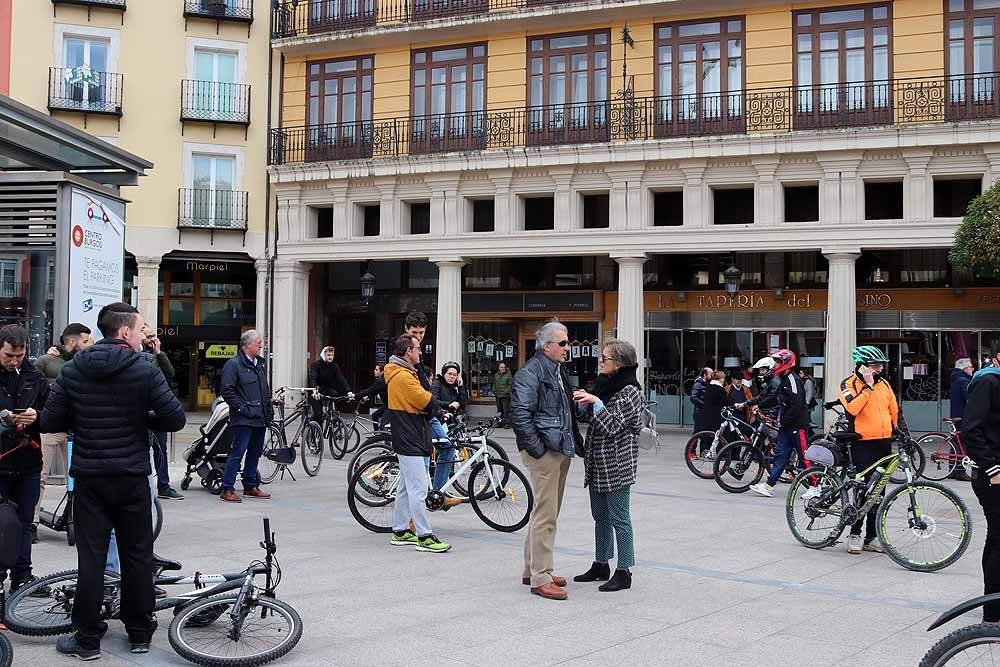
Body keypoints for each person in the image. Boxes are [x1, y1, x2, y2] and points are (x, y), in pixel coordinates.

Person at [40, 302, 186, 659]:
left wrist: (83, 419)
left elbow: (50, 420)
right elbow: (175, 419)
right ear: (124, 332)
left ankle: (87, 639)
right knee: (138, 555)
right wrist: (142, 418)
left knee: (92, 558)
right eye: (139, 330)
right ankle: (139, 633)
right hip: (132, 476)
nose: (142, 336)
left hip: (90, 478)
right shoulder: (144, 368)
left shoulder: (73, 370)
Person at [511, 321, 583, 601]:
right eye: (563, 343)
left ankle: (533, 569)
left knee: (544, 512)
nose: (568, 347)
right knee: (546, 515)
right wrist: (538, 450)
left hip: (559, 448)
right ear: (547, 345)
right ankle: (541, 576)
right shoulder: (531, 372)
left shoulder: (556, 371)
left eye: (568, 342)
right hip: (546, 452)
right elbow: (520, 414)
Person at [572, 339, 643, 593]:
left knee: (620, 519)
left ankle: (624, 571)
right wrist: (583, 404)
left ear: (619, 364)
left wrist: (596, 404)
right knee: (600, 517)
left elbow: (612, 427)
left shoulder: (631, 391)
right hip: (597, 462)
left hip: (617, 464)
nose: (601, 362)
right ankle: (601, 563)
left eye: (605, 359)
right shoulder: (604, 385)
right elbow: (588, 419)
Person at [384, 333, 451, 553]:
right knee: (418, 488)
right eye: (418, 348)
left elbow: (424, 400)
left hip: (407, 433)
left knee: (405, 487)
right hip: (410, 434)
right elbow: (426, 399)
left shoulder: (400, 372)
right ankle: (424, 535)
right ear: (408, 352)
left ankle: (401, 531)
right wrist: (431, 402)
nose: (421, 352)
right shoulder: (403, 376)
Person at [835, 345, 899, 554]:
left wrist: (901, 432)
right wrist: (867, 387)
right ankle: (855, 533)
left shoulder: (885, 385)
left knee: (879, 491)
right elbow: (853, 408)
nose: (879, 369)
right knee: (863, 489)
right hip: (862, 443)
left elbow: (894, 411)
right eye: (875, 366)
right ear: (862, 366)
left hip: (883, 442)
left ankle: (872, 536)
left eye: (880, 365)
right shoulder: (848, 384)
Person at [0, 325, 49, 597]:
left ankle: (23, 576)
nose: (14, 361)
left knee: (24, 523)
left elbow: (53, 412)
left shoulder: (35, 377)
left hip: (28, 460)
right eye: (9, 355)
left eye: (19, 355)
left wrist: (37, 417)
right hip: (1, 460)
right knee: (1, 524)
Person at [33, 322, 91, 542]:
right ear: (72, 341)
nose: (88, 345)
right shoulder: (49, 361)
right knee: (40, 476)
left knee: (77, 478)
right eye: (85, 340)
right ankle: (33, 522)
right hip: (51, 428)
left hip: (75, 429)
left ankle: (76, 519)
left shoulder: (83, 360)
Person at [742, 350, 811, 500]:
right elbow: (770, 396)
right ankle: (768, 486)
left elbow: (797, 405)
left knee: (804, 457)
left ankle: (815, 487)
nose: (775, 364)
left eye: (778, 362)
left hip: (797, 425)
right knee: (780, 456)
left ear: (786, 362)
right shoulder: (780, 378)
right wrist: (755, 405)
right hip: (786, 426)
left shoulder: (792, 379)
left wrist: (783, 420)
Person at [964, 345, 1000, 622]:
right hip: (992, 476)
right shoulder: (987, 381)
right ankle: (992, 615)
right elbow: (971, 430)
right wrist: (993, 469)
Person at [218, 330, 274, 504]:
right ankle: (227, 488)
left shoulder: (259, 365)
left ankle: (250, 486)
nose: (261, 346)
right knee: (238, 452)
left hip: (259, 417)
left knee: (255, 453)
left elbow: (264, 390)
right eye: (258, 343)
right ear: (247, 345)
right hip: (244, 418)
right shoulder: (233, 365)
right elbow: (227, 391)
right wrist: (243, 409)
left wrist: (269, 408)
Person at [139, 325, 182, 501]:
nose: (152, 339)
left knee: (160, 449)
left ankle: (163, 485)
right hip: (139, 409)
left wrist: (159, 352)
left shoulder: (156, 355)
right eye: (149, 336)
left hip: (156, 410)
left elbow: (170, 373)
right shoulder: (135, 353)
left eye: (154, 336)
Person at [431, 361, 468, 491]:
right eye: (450, 374)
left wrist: (461, 386)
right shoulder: (437, 384)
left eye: (455, 375)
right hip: (437, 419)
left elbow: (463, 402)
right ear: (444, 374)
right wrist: (449, 405)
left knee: (449, 446)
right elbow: (433, 400)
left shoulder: (453, 387)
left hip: (449, 420)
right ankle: (437, 485)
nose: (452, 377)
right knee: (446, 447)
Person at [308, 345, 352, 427]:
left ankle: (334, 416)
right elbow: (313, 378)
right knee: (318, 414)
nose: (330, 357)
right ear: (324, 355)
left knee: (336, 395)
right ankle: (318, 430)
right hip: (316, 390)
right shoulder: (316, 364)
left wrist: (348, 391)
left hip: (326, 389)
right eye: (328, 355)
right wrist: (314, 390)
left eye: (332, 355)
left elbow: (341, 378)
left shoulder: (335, 366)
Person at [949, 358, 975, 481]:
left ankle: (952, 469)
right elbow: (969, 399)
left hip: (956, 414)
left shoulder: (955, 379)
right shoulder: (963, 381)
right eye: (970, 367)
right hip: (963, 415)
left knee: (955, 443)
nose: (972, 369)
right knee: (962, 443)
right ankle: (960, 471)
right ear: (964, 368)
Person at [356, 363, 388, 427]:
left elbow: (369, 390)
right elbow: (374, 391)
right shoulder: (381, 380)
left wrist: (356, 395)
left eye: (376, 370)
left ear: (382, 372)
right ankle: (376, 434)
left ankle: (383, 436)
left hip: (391, 407)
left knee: (383, 425)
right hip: (387, 405)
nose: (374, 371)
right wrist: (367, 397)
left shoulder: (381, 381)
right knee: (375, 416)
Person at [699, 371, 728, 435]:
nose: (724, 380)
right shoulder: (719, 389)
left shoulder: (709, 387)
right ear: (718, 379)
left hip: (707, 414)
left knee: (707, 435)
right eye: (722, 378)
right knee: (716, 434)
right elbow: (726, 401)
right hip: (716, 415)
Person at [690, 367, 712, 433]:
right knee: (698, 431)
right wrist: (704, 405)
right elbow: (693, 397)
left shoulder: (708, 384)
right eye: (711, 374)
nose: (712, 376)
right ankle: (693, 443)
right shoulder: (698, 384)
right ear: (705, 375)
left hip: (705, 411)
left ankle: (703, 443)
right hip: (699, 412)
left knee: (704, 431)